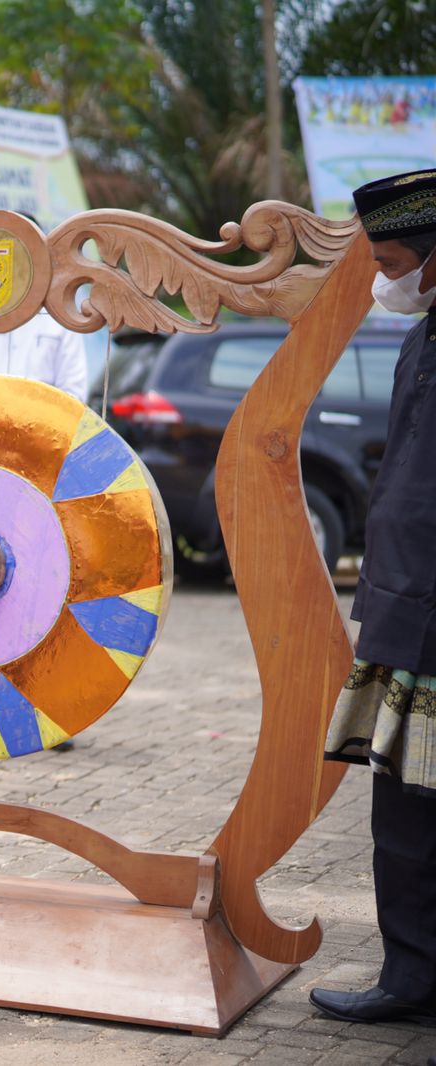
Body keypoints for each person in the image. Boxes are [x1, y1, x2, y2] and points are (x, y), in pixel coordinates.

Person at [312, 169, 436, 1028]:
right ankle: (412, 975)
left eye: (391, 260)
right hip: (403, 605)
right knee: (403, 809)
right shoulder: (420, 336)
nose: (380, 279)